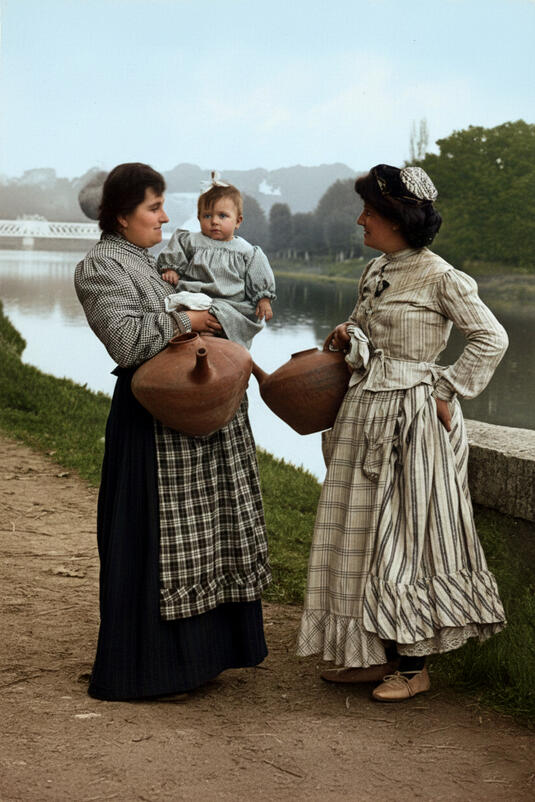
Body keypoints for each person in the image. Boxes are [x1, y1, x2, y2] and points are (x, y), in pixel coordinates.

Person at [296, 164, 508, 702]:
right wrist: (350, 332)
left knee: (408, 538)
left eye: (371, 210)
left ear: (398, 218)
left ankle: (414, 666)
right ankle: (374, 654)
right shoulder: (377, 269)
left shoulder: (442, 277)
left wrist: (446, 389)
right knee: (363, 536)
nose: (361, 219)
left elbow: (491, 337)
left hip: (412, 421)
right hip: (365, 411)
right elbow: (370, 328)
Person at [74, 162, 271, 701]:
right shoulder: (99, 266)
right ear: (120, 216)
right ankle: (149, 667)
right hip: (150, 415)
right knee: (155, 537)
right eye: (153, 208)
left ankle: (202, 658)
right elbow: (126, 342)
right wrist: (192, 322)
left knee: (205, 531)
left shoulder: (146, 260)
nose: (165, 217)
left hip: (193, 403)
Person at [157, 176, 276, 349]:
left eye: (222, 216)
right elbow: (175, 254)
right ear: (198, 218)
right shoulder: (190, 241)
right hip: (194, 298)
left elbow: (259, 276)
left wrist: (263, 299)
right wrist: (171, 268)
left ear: (238, 221)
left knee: (226, 318)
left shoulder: (246, 251)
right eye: (207, 215)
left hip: (230, 304)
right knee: (177, 310)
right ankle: (192, 338)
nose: (214, 221)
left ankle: (216, 339)